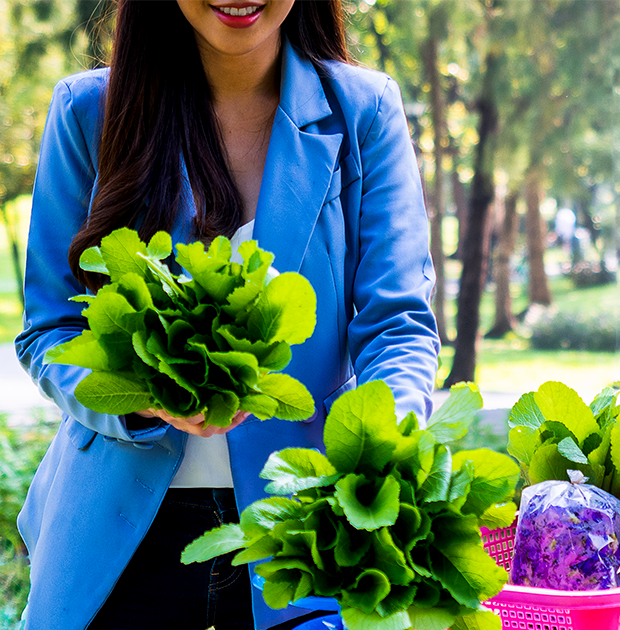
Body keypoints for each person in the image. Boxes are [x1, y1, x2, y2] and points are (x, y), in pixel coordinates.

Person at [14, 1, 440, 628]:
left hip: (302, 538)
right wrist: (138, 399)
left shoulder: (363, 111)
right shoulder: (89, 112)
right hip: (114, 547)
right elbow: (49, 328)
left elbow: (397, 326)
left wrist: (378, 451)